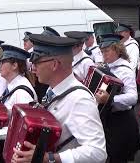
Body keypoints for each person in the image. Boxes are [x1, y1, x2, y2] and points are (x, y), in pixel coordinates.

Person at [11, 34, 107, 163]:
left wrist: (50, 158)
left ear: (54, 64)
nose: (33, 68)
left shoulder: (79, 99)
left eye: (37, 62)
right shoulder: (52, 89)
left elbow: (97, 152)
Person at [95, 34, 140, 163]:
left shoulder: (124, 69)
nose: (104, 54)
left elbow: (133, 97)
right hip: (108, 120)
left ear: (117, 50)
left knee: (118, 158)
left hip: (121, 121)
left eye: (107, 51)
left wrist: (111, 99)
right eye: (102, 51)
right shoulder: (106, 67)